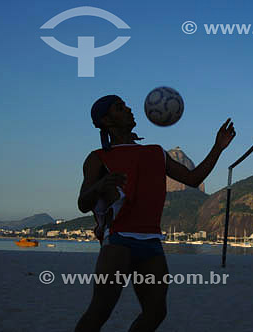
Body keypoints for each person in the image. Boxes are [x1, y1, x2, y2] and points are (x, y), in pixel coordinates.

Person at [75, 94, 236, 331]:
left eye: (127, 105)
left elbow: (193, 179)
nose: (129, 109)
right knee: (99, 311)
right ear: (106, 121)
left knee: (156, 312)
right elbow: (82, 203)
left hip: (151, 242)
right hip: (118, 241)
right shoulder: (98, 158)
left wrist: (218, 147)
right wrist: (101, 184)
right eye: (120, 108)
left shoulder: (156, 152)